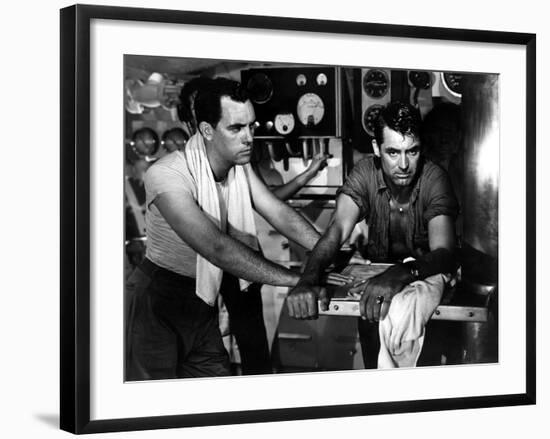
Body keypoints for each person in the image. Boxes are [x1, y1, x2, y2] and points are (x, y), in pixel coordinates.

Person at [125, 78, 329, 380]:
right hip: (158, 300)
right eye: (236, 128)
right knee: (154, 405)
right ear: (206, 130)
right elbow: (215, 247)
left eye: (251, 127)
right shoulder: (166, 174)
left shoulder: (239, 167)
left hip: (202, 300)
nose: (249, 138)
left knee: (215, 391)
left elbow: (278, 212)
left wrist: (328, 255)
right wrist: (300, 279)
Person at [287, 101, 459, 368]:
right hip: (372, 296)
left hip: (421, 292)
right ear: (377, 149)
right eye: (393, 152)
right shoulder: (365, 173)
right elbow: (337, 230)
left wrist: (399, 274)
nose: (403, 164)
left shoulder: (434, 178)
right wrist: (308, 278)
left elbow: (444, 253)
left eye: (411, 151)